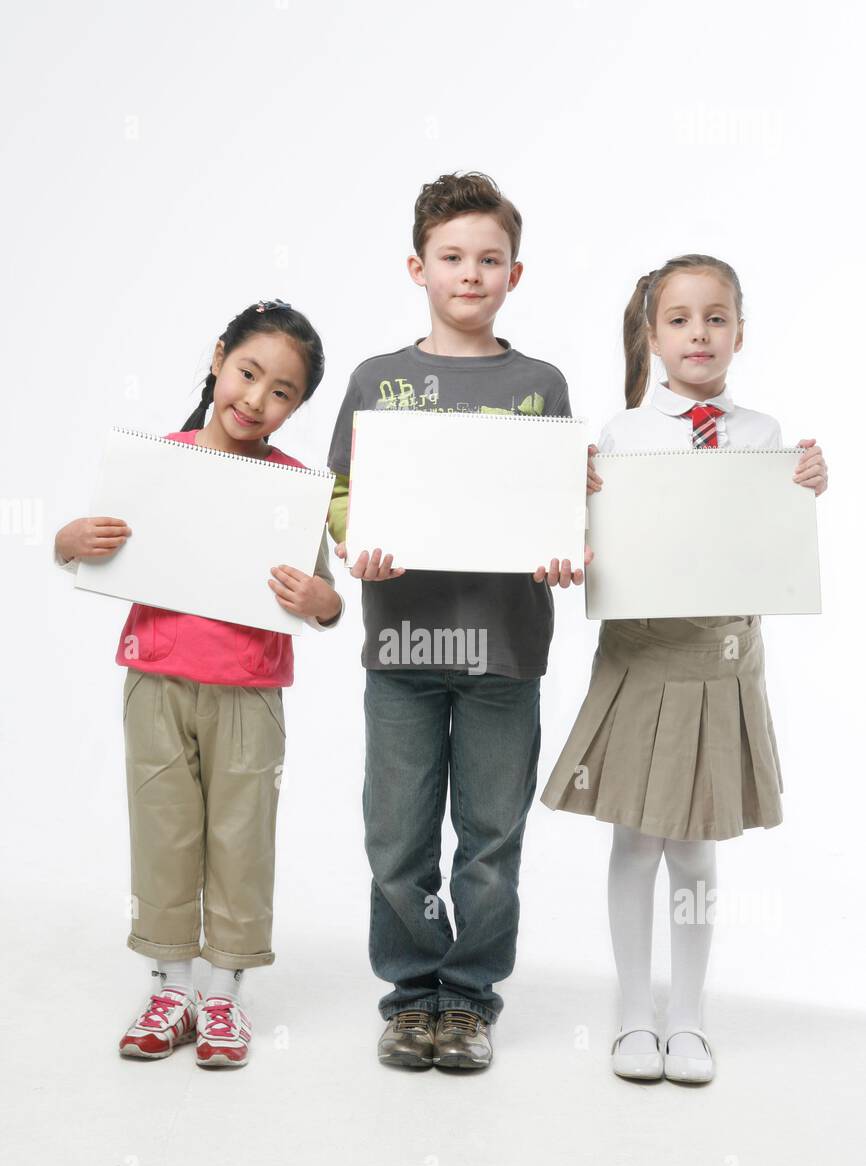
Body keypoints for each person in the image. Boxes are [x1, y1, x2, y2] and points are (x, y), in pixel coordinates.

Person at [541, 254, 828, 1083]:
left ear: (740, 330)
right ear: (652, 334)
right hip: (643, 654)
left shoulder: (765, 436)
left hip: (722, 660)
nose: (698, 333)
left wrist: (811, 483)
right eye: (679, 319)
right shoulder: (620, 438)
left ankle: (690, 1018)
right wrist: (576, 502)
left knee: (697, 848)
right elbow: (599, 544)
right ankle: (635, 1014)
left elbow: (774, 542)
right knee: (636, 840)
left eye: (716, 317)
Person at [326, 171, 588, 1069]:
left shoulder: (540, 382)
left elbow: (565, 511)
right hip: (400, 645)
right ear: (417, 267)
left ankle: (469, 999)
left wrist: (564, 550)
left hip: (506, 652)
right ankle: (410, 997)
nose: (470, 274)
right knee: (398, 839)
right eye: (452, 258)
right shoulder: (377, 379)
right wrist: (353, 543)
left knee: (489, 842)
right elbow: (340, 499)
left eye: (489, 259)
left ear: (515, 273)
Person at [55, 298, 343, 1069]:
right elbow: (87, 546)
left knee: (241, 841)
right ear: (218, 359)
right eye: (248, 373)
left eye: (281, 391)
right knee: (165, 834)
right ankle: (170, 987)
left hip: (250, 695)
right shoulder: (156, 463)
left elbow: (327, 598)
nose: (256, 400)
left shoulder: (293, 490)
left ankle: (224, 997)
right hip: (156, 683)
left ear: (299, 405)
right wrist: (66, 540)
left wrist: (324, 604)